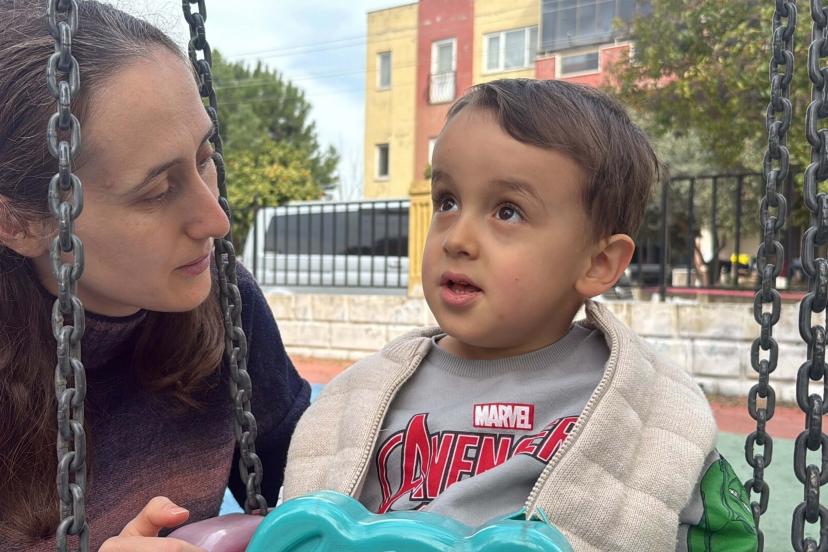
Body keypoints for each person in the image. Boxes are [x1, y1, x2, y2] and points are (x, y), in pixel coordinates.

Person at [282, 79, 757, 551]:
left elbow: (721, 538)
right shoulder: (362, 395)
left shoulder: (645, 412)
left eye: (507, 212)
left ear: (598, 263)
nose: (456, 238)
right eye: (447, 202)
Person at [0, 2, 309, 550]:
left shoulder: (226, 302)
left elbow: (323, 490)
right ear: (18, 223)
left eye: (205, 157)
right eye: (157, 191)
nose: (216, 219)